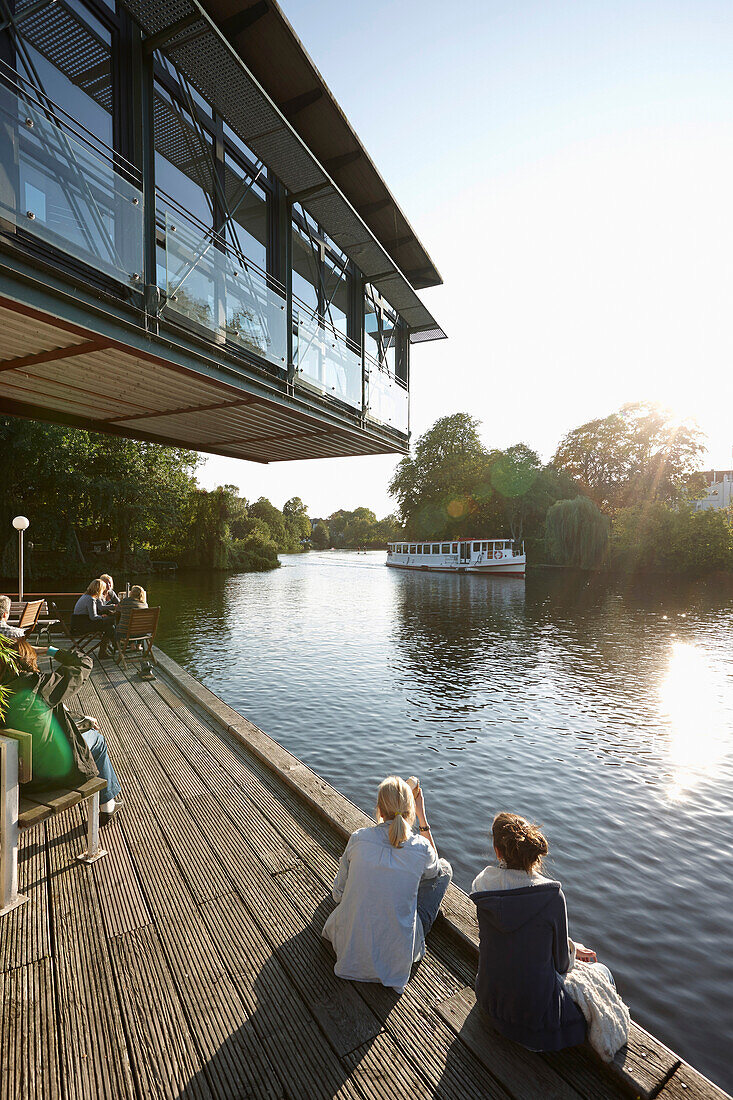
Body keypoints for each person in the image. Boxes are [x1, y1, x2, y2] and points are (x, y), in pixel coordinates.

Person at [470, 812, 614, 1052]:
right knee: (603, 972)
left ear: (497, 851)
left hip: (489, 1006)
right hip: (536, 1028)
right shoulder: (551, 896)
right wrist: (570, 949)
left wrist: (566, 944)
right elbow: (561, 965)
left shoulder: (481, 887)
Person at [322, 776, 452, 992]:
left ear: (379, 810)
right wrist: (422, 818)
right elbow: (435, 872)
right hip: (396, 960)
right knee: (444, 869)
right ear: (410, 811)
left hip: (349, 950)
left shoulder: (359, 838)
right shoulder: (421, 847)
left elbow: (338, 895)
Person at [0, 637, 123, 815]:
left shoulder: (4, 692)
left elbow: (41, 719)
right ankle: (107, 805)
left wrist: (80, 718)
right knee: (98, 740)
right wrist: (49, 650)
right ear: (29, 659)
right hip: (49, 777)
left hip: (13, 778)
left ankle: (107, 802)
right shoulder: (39, 685)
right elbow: (84, 663)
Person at [71, 580, 115, 658]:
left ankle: (109, 648)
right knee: (111, 622)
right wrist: (102, 617)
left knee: (109, 626)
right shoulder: (91, 599)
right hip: (82, 626)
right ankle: (115, 644)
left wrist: (102, 617)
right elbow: (93, 617)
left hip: (78, 623)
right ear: (100, 589)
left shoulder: (86, 596)